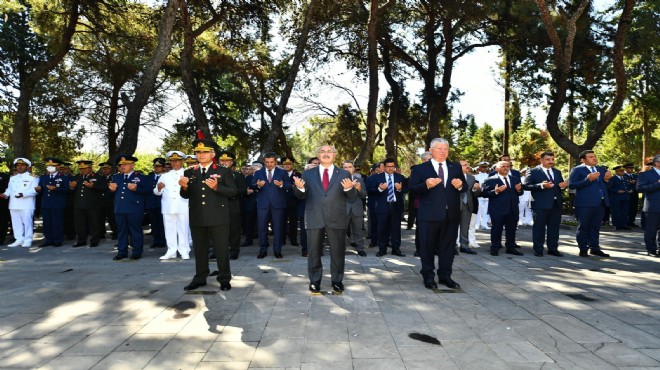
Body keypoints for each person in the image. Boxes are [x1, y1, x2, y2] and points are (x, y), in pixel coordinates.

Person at [293, 145, 357, 293]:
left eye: (329, 152)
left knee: (338, 252)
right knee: (314, 252)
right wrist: (300, 188)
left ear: (334, 155)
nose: (326, 154)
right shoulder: (308, 174)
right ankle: (315, 281)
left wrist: (349, 188)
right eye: (322, 151)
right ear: (318, 155)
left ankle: (337, 281)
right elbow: (300, 195)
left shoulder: (343, 174)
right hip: (314, 216)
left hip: (337, 218)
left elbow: (352, 197)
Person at [408, 138, 466, 290]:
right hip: (428, 216)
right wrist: (425, 185)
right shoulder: (421, 169)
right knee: (427, 247)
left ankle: (445, 276)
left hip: (451, 215)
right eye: (439, 149)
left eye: (445, 149)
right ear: (431, 150)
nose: (443, 151)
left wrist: (461, 186)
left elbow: (464, 186)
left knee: (448, 248)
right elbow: (412, 189)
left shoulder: (455, 167)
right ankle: (428, 277)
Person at [179, 139, 237, 291]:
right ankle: (200, 277)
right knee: (200, 250)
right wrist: (184, 187)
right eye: (198, 152)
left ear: (212, 154)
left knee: (221, 249)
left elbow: (233, 192)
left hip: (218, 216)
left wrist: (218, 187)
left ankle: (224, 278)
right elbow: (185, 195)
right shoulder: (190, 171)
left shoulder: (223, 171)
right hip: (197, 216)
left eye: (205, 152)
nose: (201, 155)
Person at [568, 150, 613, 257]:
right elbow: (572, 185)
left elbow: (607, 187)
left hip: (600, 203)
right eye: (591, 157)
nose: (594, 158)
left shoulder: (601, 169)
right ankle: (583, 249)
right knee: (583, 227)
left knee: (595, 227)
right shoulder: (577, 170)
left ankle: (595, 248)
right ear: (583, 160)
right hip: (585, 204)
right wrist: (588, 180)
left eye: (594, 156)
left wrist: (607, 180)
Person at [522, 151, 568, 257]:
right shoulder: (533, 171)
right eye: (548, 159)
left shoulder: (557, 172)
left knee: (554, 228)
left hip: (556, 204)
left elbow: (559, 185)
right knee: (539, 227)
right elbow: (526, 186)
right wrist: (541, 185)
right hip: (540, 204)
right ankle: (538, 249)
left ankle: (553, 248)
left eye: (552, 159)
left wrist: (563, 186)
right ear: (541, 160)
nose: (551, 162)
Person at [250, 152, 291, 259]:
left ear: (275, 161)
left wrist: (281, 185)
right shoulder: (258, 172)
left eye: (271, 162)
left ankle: (277, 250)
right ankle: (263, 250)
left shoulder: (282, 172)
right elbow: (252, 185)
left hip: (278, 204)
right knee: (262, 228)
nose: (269, 164)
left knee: (278, 228)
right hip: (262, 204)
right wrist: (258, 186)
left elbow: (289, 185)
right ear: (264, 162)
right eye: (267, 162)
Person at [108, 155, 150, 260]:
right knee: (121, 231)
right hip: (120, 208)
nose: (122, 166)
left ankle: (137, 252)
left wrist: (137, 188)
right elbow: (112, 193)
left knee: (135, 231)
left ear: (132, 165)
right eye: (121, 164)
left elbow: (148, 191)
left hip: (134, 208)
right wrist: (111, 190)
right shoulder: (116, 177)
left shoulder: (140, 177)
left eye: (125, 164)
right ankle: (122, 252)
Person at [481, 161, 524, 256]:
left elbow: (521, 193)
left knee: (511, 229)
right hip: (497, 209)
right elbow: (483, 194)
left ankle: (511, 247)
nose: (506, 168)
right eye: (503, 166)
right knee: (497, 229)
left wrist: (519, 190)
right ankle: (495, 248)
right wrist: (496, 191)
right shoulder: (490, 180)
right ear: (497, 168)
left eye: (507, 166)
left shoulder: (515, 179)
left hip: (512, 209)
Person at [154, 151, 190, 260]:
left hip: (183, 205)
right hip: (168, 206)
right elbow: (156, 192)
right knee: (169, 229)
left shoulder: (188, 174)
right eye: (173, 161)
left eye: (178, 160)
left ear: (182, 161)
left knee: (183, 229)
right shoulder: (165, 176)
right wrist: (159, 188)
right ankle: (171, 250)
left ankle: (184, 250)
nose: (175, 163)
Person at [368, 158, 408, 257]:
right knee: (382, 229)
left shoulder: (400, 177)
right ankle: (382, 249)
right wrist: (380, 189)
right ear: (384, 167)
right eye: (388, 166)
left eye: (392, 166)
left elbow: (407, 189)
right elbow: (370, 190)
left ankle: (396, 249)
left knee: (396, 229)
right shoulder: (377, 178)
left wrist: (400, 189)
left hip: (396, 207)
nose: (390, 169)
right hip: (382, 207)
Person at [1, 158, 39, 247]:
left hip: (27, 203)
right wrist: (5, 195)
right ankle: (18, 239)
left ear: (27, 167)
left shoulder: (33, 178)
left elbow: (35, 190)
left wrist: (23, 194)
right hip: (13, 204)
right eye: (17, 165)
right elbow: (9, 189)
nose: (19, 167)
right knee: (16, 223)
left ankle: (28, 240)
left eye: (22, 165)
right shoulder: (13, 178)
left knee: (27, 222)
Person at [70, 160, 107, 248]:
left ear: (90, 168)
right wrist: (72, 187)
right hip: (79, 204)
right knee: (80, 224)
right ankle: (81, 240)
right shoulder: (77, 177)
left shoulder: (98, 177)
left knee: (94, 223)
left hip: (93, 205)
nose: (82, 170)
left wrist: (93, 186)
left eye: (85, 168)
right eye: (81, 169)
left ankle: (94, 240)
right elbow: (71, 191)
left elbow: (105, 188)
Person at [218, 151, 247, 260]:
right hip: (217, 206)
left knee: (234, 230)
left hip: (233, 205)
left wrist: (230, 192)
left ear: (232, 162)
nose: (225, 162)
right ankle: (218, 251)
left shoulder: (237, 175)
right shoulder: (213, 173)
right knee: (218, 230)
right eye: (222, 160)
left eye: (227, 160)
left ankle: (234, 251)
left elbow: (243, 189)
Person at [35, 158, 69, 247]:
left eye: (52, 166)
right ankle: (48, 239)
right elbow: (41, 191)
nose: (50, 167)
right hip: (46, 203)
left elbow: (67, 190)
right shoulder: (43, 177)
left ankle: (58, 240)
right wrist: (39, 190)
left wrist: (56, 189)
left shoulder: (63, 177)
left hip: (58, 203)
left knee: (57, 222)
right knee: (46, 222)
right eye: (49, 166)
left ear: (57, 166)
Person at [636, 154, 660, 257]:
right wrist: (658, 184)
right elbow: (640, 188)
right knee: (651, 229)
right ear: (657, 163)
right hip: (653, 206)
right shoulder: (645, 175)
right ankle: (651, 250)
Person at [342, 160, 367, 256]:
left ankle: (360, 249)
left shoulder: (360, 180)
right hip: (343, 209)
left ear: (353, 169)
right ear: (342, 169)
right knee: (342, 231)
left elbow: (364, 195)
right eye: (345, 167)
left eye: (350, 167)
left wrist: (359, 189)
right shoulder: (338, 180)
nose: (348, 169)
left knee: (358, 230)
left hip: (357, 209)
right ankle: (341, 249)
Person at [456, 160, 480, 254]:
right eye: (465, 165)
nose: (467, 166)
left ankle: (464, 246)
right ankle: (452, 246)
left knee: (465, 227)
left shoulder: (471, 178)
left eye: (468, 164)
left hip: (468, 205)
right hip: (455, 205)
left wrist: (475, 189)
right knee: (453, 227)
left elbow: (476, 194)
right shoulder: (452, 177)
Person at [145, 158, 167, 248]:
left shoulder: (166, 176)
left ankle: (162, 241)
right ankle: (156, 240)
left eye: (159, 166)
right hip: (151, 203)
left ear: (163, 167)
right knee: (154, 223)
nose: (157, 168)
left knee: (162, 223)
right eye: (156, 166)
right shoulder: (149, 177)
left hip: (162, 203)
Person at [281, 157, 301, 247]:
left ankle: (293, 240)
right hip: (281, 201)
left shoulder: (298, 174)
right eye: (285, 164)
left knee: (293, 222)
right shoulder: (279, 174)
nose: (287, 166)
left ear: (292, 165)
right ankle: (282, 239)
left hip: (293, 201)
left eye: (289, 164)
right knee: (281, 222)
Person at [97, 162, 118, 240]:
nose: (105, 171)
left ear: (111, 169)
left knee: (112, 219)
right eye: (103, 169)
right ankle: (101, 233)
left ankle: (116, 233)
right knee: (100, 219)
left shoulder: (114, 178)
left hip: (111, 201)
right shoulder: (99, 177)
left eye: (107, 169)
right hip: (100, 202)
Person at [609, 165, 631, 230]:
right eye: (621, 171)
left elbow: (628, 186)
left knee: (624, 212)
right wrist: (617, 191)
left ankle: (623, 224)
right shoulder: (612, 179)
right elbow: (609, 188)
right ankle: (616, 225)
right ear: (617, 172)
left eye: (623, 171)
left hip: (625, 197)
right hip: (616, 198)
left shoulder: (625, 178)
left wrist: (630, 190)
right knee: (616, 212)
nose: (622, 172)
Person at [474, 161, 491, 230]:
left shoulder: (489, 176)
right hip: (479, 195)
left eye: (485, 167)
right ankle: (477, 224)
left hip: (487, 195)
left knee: (486, 211)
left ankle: (484, 223)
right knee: (478, 210)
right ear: (479, 167)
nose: (484, 168)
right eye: (482, 167)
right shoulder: (476, 176)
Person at [0, 157, 9, 245]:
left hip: (1, 202)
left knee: (2, 220)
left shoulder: (4, 176)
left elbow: (7, 188)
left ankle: (1, 239)